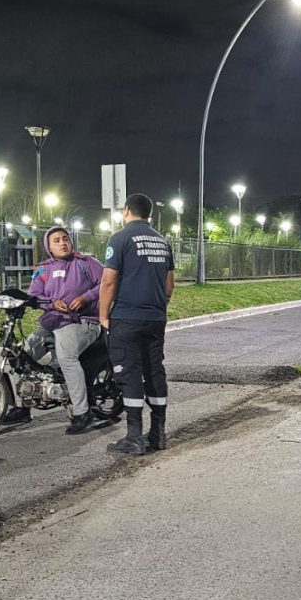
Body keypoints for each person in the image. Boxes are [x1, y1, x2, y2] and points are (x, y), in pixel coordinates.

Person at [99, 193, 175, 456]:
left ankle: (134, 437)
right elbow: (169, 285)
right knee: (155, 371)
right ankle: (158, 434)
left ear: (127, 211)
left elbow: (108, 281)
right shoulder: (163, 242)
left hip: (127, 318)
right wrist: (157, 308)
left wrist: (103, 314)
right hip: (155, 318)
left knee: (129, 372)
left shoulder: (120, 238)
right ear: (149, 213)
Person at [21, 226, 107, 434]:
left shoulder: (87, 263)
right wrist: (51, 304)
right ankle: (22, 407)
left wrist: (86, 298)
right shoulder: (43, 268)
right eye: (56, 240)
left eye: (65, 238)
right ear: (48, 246)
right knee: (22, 355)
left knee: (66, 356)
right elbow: (34, 294)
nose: (62, 243)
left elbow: (108, 282)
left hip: (83, 322)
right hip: (53, 321)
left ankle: (82, 412)